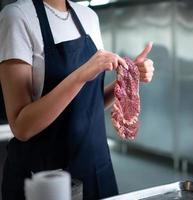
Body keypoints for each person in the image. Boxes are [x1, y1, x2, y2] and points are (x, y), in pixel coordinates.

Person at [0, 0, 155, 199]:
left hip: (97, 168)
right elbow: (22, 127)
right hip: (47, 179)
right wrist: (82, 74)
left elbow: (88, 105)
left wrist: (130, 79)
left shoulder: (88, 17)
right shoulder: (17, 16)